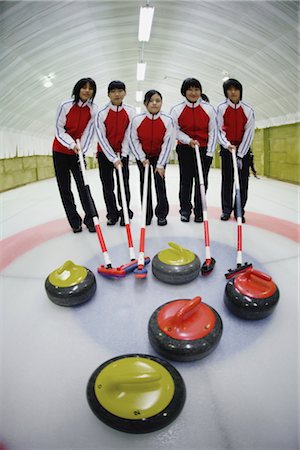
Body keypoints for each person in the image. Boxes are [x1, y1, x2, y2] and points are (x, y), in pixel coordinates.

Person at [52, 77, 98, 233]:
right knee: (65, 188)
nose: (87, 90)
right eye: (84, 87)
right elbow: (59, 130)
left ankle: (91, 218)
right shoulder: (65, 105)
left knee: (83, 185)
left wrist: (81, 149)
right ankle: (74, 221)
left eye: (90, 88)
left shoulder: (93, 109)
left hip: (78, 152)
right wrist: (71, 144)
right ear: (78, 89)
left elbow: (89, 132)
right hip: (61, 151)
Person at [170, 78, 217, 222]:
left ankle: (199, 210)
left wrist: (209, 153)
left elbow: (213, 132)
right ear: (184, 91)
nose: (193, 92)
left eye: (196, 89)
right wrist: (188, 140)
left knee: (202, 181)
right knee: (186, 181)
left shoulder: (209, 109)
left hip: (203, 150)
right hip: (185, 148)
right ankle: (185, 209)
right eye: (190, 89)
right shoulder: (176, 109)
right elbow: (175, 131)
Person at [129, 90, 176, 226]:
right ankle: (146, 214)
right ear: (145, 103)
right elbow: (133, 140)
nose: (154, 103)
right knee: (145, 185)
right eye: (151, 100)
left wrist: (160, 165)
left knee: (160, 185)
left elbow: (168, 143)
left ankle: (161, 214)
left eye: (158, 100)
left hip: (159, 156)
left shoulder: (168, 120)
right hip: (143, 157)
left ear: (161, 103)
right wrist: (142, 158)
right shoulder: (137, 120)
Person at [94, 80, 135, 226]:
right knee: (108, 185)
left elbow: (129, 134)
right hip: (105, 153)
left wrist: (123, 154)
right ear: (108, 94)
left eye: (120, 91)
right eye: (113, 91)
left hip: (122, 153)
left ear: (125, 93)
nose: (117, 94)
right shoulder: (101, 113)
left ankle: (125, 212)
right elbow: (101, 137)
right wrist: (112, 157)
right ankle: (112, 213)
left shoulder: (130, 111)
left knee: (123, 184)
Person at [217, 78, 255, 223]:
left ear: (240, 91)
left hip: (243, 151)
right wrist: (227, 145)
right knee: (227, 181)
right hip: (227, 150)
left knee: (242, 182)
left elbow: (249, 132)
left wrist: (240, 153)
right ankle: (226, 210)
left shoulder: (248, 110)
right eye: (230, 89)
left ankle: (239, 210)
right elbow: (219, 130)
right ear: (226, 92)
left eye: (236, 89)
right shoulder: (220, 108)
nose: (233, 92)